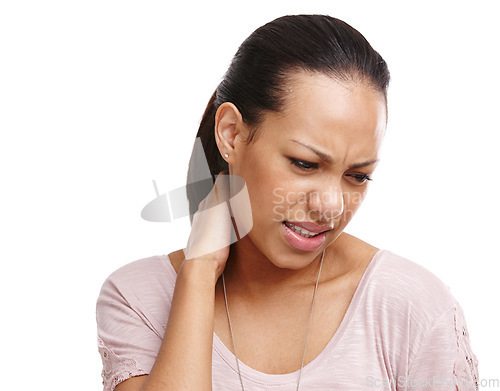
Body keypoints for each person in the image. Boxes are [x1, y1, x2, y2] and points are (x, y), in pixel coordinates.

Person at [96, 14, 479, 391]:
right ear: (230, 135)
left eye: (357, 176)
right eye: (305, 164)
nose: (330, 206)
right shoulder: (137, 298)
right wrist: (197, 275)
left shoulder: (410, 307)